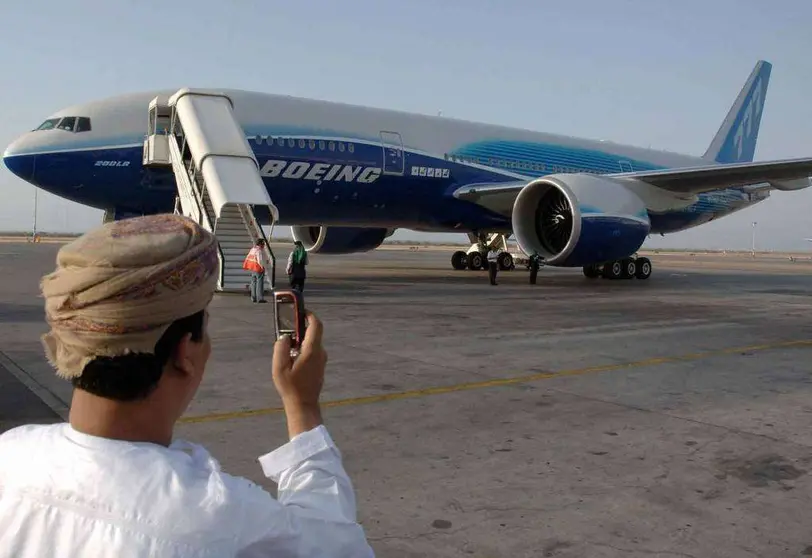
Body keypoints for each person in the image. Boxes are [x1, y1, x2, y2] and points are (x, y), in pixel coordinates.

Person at [0, 214, 374, 558]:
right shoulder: (220, 521)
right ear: (185, 352)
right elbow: (337, 544)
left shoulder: (10, 455)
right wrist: (302, 405)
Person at [243, 238, 269, 303]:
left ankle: (253, 297)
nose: (264, 245)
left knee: (253, 283)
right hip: (258, 268)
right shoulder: (259, 250)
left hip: (253, 268)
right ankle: (260, 298)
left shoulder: (253, 249)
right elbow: (259, 260)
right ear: (260, 244)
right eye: (263, 243)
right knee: (260, 283)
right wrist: (262, 267)